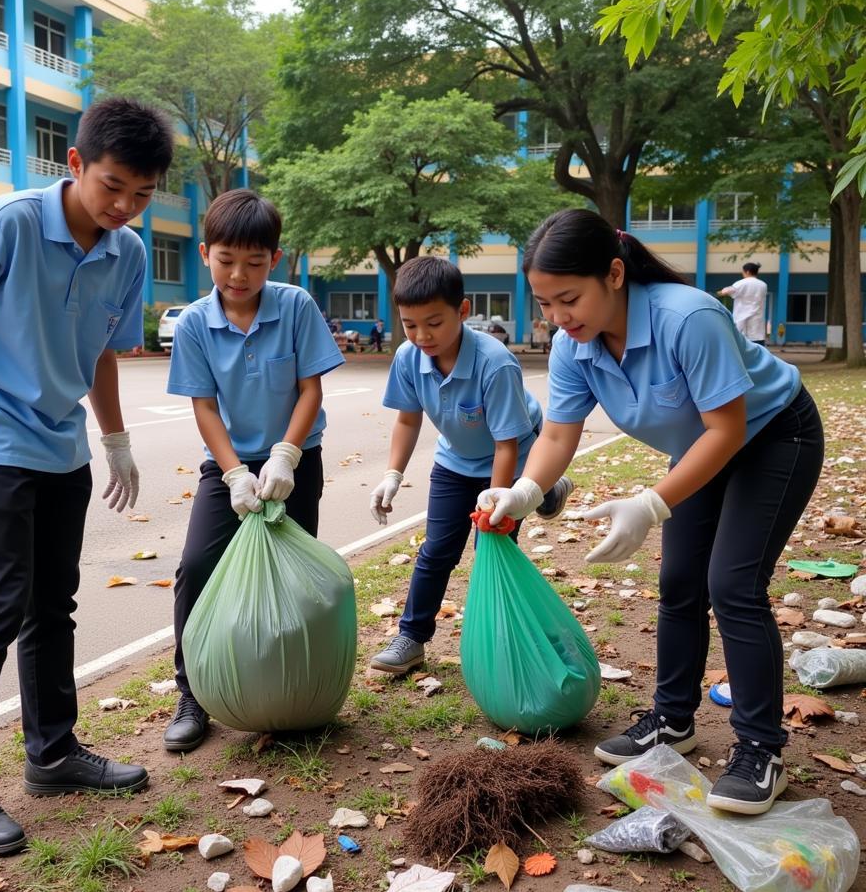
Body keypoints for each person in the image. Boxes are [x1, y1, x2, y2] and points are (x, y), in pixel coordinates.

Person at [0, 98, 176, 855]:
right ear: (76, 164)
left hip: (62, 444)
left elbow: (105, 347)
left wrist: (115, 437)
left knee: (53, 603)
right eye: (113, 186)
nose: (124, 207)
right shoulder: (11, 221)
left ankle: (52, 753)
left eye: (142, 195)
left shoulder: (129, 252)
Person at [480, 209, 822, 816]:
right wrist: (524, 493)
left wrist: (650, 503)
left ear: (614, 274)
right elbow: (559, 436)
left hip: (774, 437)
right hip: (700, 449)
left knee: (734, 584)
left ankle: (762, 749)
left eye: (569, 298)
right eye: (545, 303)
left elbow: (727, 427)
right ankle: (672, 719)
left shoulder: (687, 317)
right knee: (679, 582)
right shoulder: (572, 345)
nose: (558, 318)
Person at [163, 189, 344, 752]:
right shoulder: (194, 323)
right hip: (229, 464)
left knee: (293, 583)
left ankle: (289, 691)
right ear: (205, 253)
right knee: (197, 566)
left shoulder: (295, 307)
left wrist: (288, 454)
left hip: (295, 460)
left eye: (255, 262)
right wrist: (235, 473)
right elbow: (204, 406)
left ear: (276, 259)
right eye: (226, 260)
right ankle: (192, 692)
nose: (239, 275)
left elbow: (310, 388)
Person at [368, 256, 574, 674]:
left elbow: (506, 444)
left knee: (491, 547)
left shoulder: (494, 363)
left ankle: (503, 639)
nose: (422, 335)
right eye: (410, 324)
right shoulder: (409, 357)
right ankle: (411, 638)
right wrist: (392, 474)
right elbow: (408, 418)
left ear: (462, 312)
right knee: (436, 551)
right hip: (454, 460)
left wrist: (496, 504)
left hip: (513, 452)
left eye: (434, 323)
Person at [718, 262, 768, 345]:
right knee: (758, 344)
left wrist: (721, 292)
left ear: (747, 272)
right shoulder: (763, 285)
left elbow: (728, 290)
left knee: (741, 346)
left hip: (742, 320)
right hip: (757, 320)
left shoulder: (742, 283)